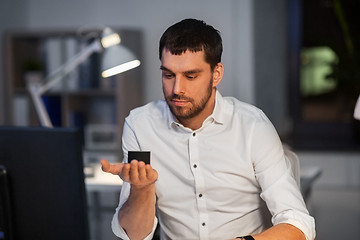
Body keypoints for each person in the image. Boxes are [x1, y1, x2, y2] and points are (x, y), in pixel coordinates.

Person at [101, 18, 315, 240]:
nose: (177, 89)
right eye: (168, 75)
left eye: (191, 76)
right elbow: (134, 236)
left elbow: (298, 222)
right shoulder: (140, 125)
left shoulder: (252, 126)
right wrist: (142, 190)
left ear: (216, 74)